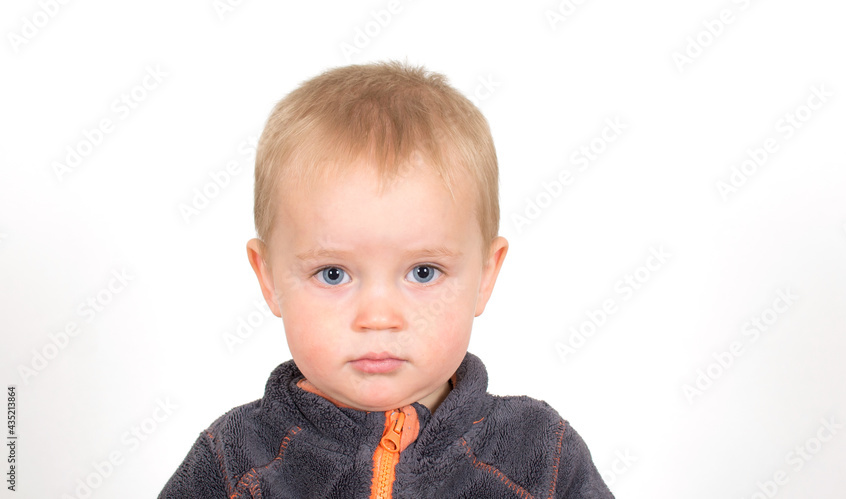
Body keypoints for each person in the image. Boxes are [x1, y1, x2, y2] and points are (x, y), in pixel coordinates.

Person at [158, 61, 613, 498]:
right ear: (269, 278)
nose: (378, 317)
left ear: (485, 276)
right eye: (333, 274)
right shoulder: (233, 462)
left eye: (423, 272)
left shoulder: (539, 454)